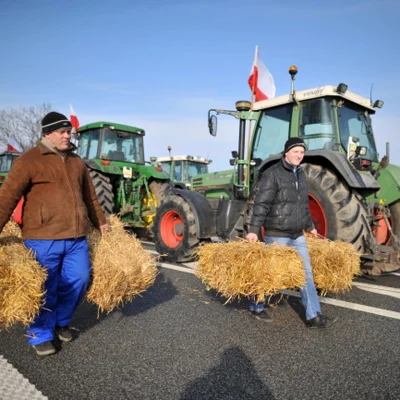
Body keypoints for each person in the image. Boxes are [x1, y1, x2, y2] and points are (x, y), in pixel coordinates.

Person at [0, 111, 108, 356]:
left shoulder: (76, 161)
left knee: (79, 280)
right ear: (47, 133)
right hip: (42, 238)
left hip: (76, 237)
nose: (67, 135)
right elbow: (7, 197)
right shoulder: (29, 160)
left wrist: (100, 222)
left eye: (68, 131)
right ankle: (41, 333)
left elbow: (91, 196)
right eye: (62, 131)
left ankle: (61, 321)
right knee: (45, 287)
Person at [245, 137, 337, 329]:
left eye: (302, 152)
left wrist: (310, 225)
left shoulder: (300, 175)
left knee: (306, 274)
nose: (299, 155)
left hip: (297, 234)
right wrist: (254, 230)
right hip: (277, 234)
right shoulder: (273, 174)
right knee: (271, 273)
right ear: (286, 152)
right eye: (295, 151)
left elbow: (302, 205)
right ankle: (256, 305)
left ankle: (313, 316)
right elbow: (262, 203)